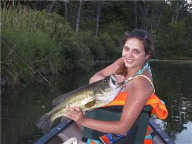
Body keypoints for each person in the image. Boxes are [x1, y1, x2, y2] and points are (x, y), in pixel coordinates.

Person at [66, 29, 155, 135]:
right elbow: (93, 79)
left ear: (147, 55)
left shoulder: (141, 84)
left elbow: (123, 128)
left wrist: (83, 121)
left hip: (124, 136)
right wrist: (111, 82)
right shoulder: (124, 61)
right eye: (126, 49)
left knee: (79, 124)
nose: (129, 55)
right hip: (109, 116)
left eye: (136, 51)